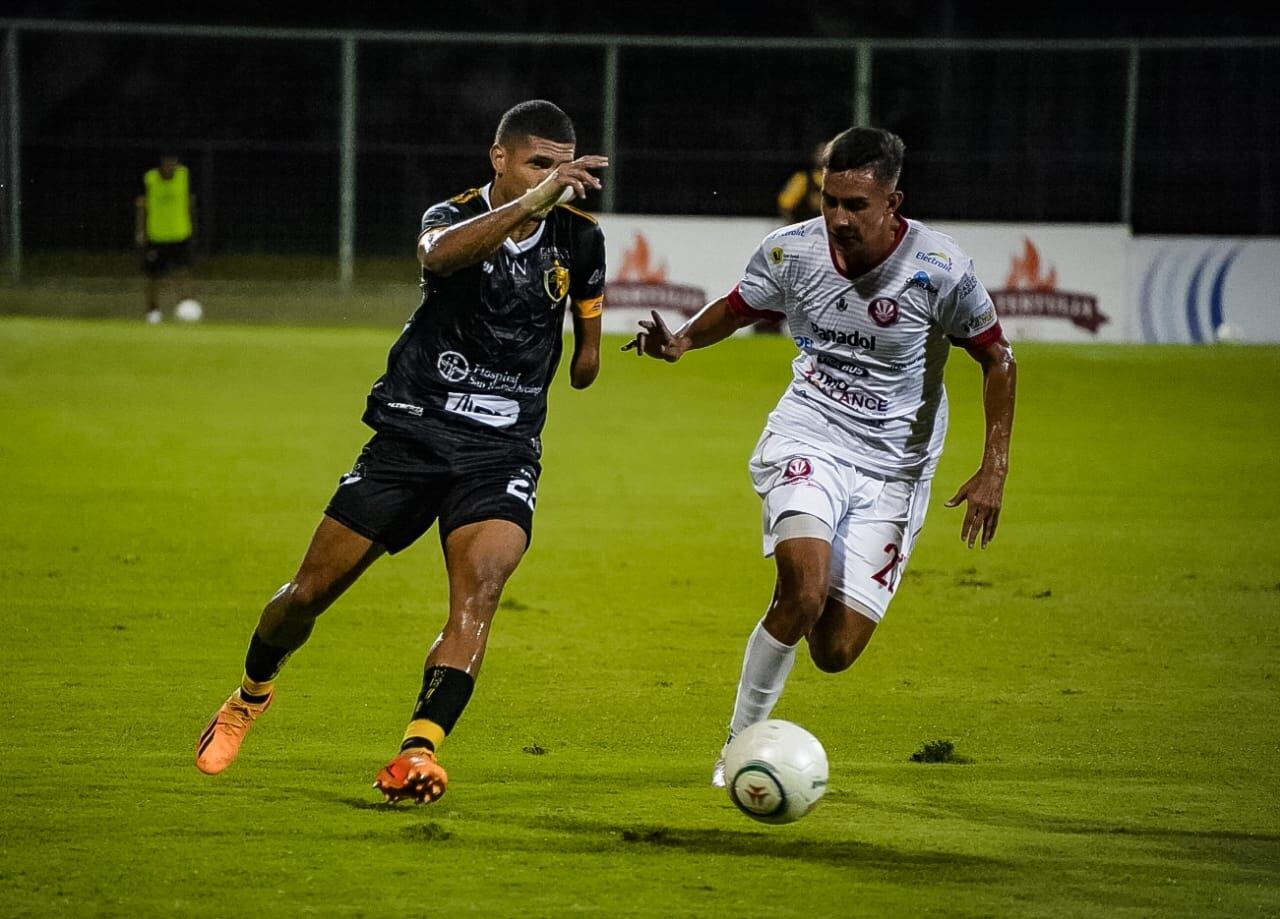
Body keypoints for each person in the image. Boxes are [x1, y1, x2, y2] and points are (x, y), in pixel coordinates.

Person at [194, 100, 610, 804]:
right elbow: (440, 258)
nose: (555, 178)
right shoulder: (449, 216)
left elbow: (586, 360)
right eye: (539, 163)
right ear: (499, 158)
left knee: (479, 596)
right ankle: (250, 694)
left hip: (502, 450)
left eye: (562, 166)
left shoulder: (581, 238)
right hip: (415, 433)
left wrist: (599, 350)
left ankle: (418, 751)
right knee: (307, 595)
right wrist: (533, 203)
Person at [624, 126, 1016, 786]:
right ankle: (738, 746)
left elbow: (997, 358)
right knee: (801, 592)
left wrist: (994, 466)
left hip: (896, 468)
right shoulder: (794, 250)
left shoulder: (940, 268)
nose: (838, 217)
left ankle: (815, 600)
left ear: (893, 202)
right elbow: (739, 306)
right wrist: (683, 341)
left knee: (834, 651)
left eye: (855, 205)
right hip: (809, 436)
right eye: (831, 200)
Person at [135, 153, 196, 323]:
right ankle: (152, 311)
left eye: (174, 163)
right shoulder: (150, 179)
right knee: (153, 277)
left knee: (183, 273)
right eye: (168, 163)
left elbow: (190, 202)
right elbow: (141, 205)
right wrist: (140, 231)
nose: (171, 167)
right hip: (156, 236)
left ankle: (185, 307)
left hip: (179, 235)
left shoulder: (184, 176)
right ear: (161, 164)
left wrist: (192, 227)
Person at [775, 141, 825, 224]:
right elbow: (784, 206)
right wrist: (795, 227)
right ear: (813, 156)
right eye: (820, 153)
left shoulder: (840, 180)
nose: (823, 157)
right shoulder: (802, 179)